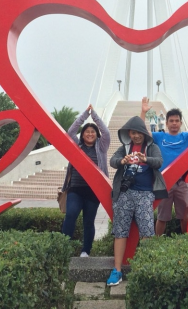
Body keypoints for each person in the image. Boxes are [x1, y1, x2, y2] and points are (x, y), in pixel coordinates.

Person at [106, 116, 167, 286]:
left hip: (145, 194)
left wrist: (145, 159)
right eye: (133, 132)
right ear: (129, 134)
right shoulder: (125, 147)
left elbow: (159, 162)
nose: (136, 135)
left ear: (144, 133)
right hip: (124, 194)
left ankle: (146, 269)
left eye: (139, 132)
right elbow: (112, 161)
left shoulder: (152, 147)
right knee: (120, 231)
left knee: (147, 231)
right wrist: (122, 161)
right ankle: (117, 270)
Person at [140, 96, 188, 236]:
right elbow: (141, 132)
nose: (174, 123)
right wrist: (143, 113)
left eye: (177, 121)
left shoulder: (186, 136)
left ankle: (187, 242)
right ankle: (155, 244)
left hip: (181, 183)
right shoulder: (160, 137)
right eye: (171, 121)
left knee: (184, 216)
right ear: (166, 123)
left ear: (181, 123)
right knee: (162, 217)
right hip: (164, 183)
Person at [60, 104, 111, 258]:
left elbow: (106, 132)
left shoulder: (101, 147)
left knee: (88, 221)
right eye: (86, 132)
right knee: (71, 215)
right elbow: (70, 131)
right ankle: (63, 247)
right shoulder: (77, 146)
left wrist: (94, 114)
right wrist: (85, 114)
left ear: (96, 134)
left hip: (93, 191)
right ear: (82, 135)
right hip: (76, 189)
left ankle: (85, 251)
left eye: (92, 132)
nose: (89, 134)